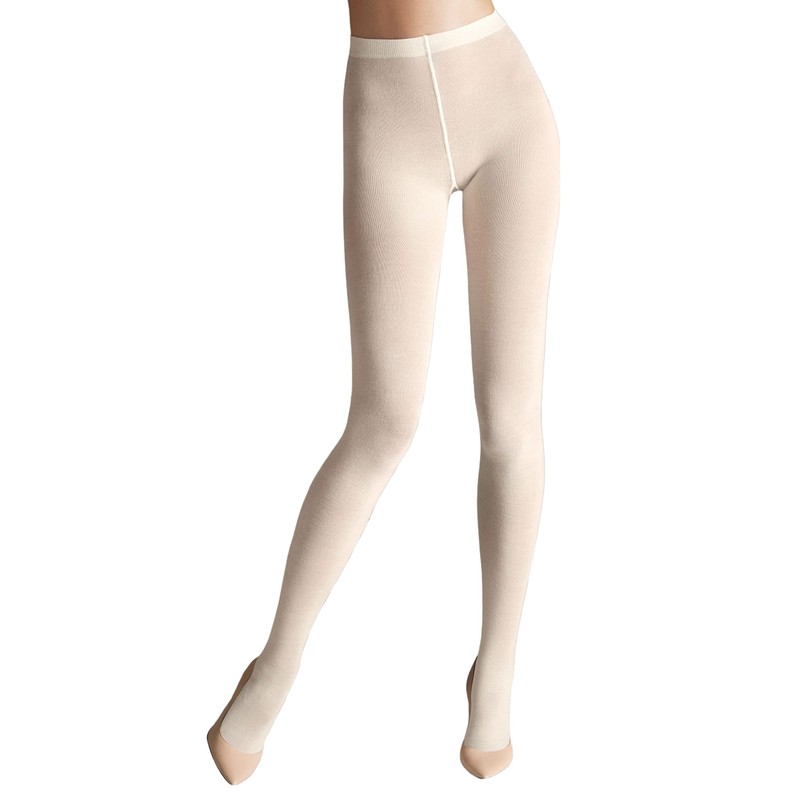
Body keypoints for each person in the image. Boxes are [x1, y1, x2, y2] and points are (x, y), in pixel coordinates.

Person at [207, 0, 560, 783]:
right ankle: (275, 669)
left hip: (502, 95)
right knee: (384, 421)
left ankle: (496, 675)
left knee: (511, 420)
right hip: (387, 104)